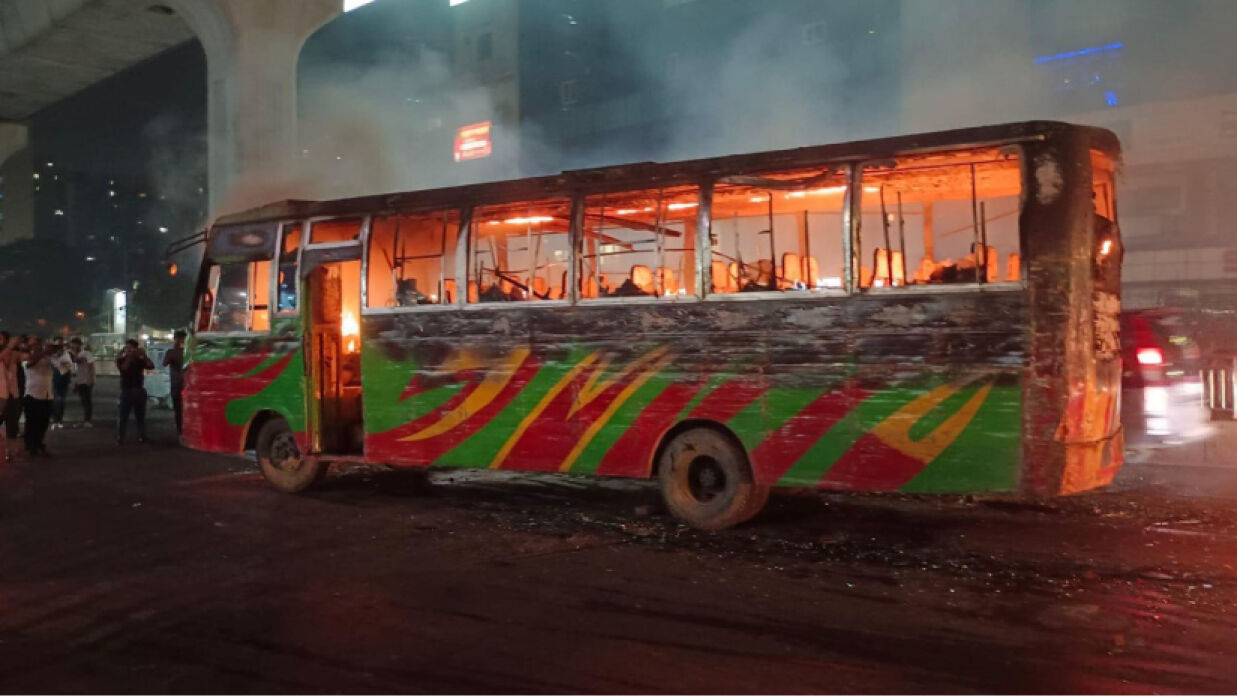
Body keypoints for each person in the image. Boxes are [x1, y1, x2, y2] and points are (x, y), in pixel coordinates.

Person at [116, 338, 154, 445]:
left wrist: (144, 355)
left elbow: (151, 366)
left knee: (140, 416)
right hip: (126, 390)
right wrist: (130, 356)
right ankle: (120, 437)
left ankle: (142, 436)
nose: (129, 350)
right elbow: (123, 368)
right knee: (123, 417)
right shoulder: (121, 359)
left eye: (131, 348)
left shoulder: (139, 360)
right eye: (127, 348)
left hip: (139, 390)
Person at [22, 337, 54, 456]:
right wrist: (44, 353)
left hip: (47, 395)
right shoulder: (26, 358)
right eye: (35, 347)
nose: (38, 349)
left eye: (39, 346)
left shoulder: (48, 359)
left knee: (43, 423)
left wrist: (62, 355)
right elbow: (30, 364)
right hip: (32, 395)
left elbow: (64, 369)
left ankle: (39, 443)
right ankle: (30, 446)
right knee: (32, 423)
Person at [0, 332, 26, 462]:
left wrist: (30, 345)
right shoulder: (6, 352)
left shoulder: (14, 354)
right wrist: (10, 346)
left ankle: (10, 452)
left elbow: (28, 357)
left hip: (13, 395)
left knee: (12, 425)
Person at [163, 330, 186, 436]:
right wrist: (175, 350)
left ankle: (183, 428)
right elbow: (165, 363)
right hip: (177, 384)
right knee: (178, 408)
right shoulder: (171, 352)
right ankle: (180, 429)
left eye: (182, 339)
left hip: (186, 385)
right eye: (178, 339)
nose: (181, 341)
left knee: (184, 408)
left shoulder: (189, 351)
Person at [70, 338, 95, 428]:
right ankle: (85, 420)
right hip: (80, 381)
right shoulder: (78, 354)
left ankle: (87, 421)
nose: (73, 346)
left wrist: (91, 379)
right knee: (83, 401)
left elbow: (91, 366)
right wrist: (76, 382)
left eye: (74, 345)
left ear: (79, 344)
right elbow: (75, 363)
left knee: (87, 401)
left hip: (86, 381)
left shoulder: (86, 353)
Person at [49, 340, 73, 429]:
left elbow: (66, 368)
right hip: (54, 380)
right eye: (57, 347)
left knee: (60, 401)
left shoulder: (66, 356)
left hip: (62, 381)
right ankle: (55, 420)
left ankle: (59, 420)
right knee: (54, 401)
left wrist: (56, 367)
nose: (59, 349)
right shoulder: (52, 356)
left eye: (60, 347)